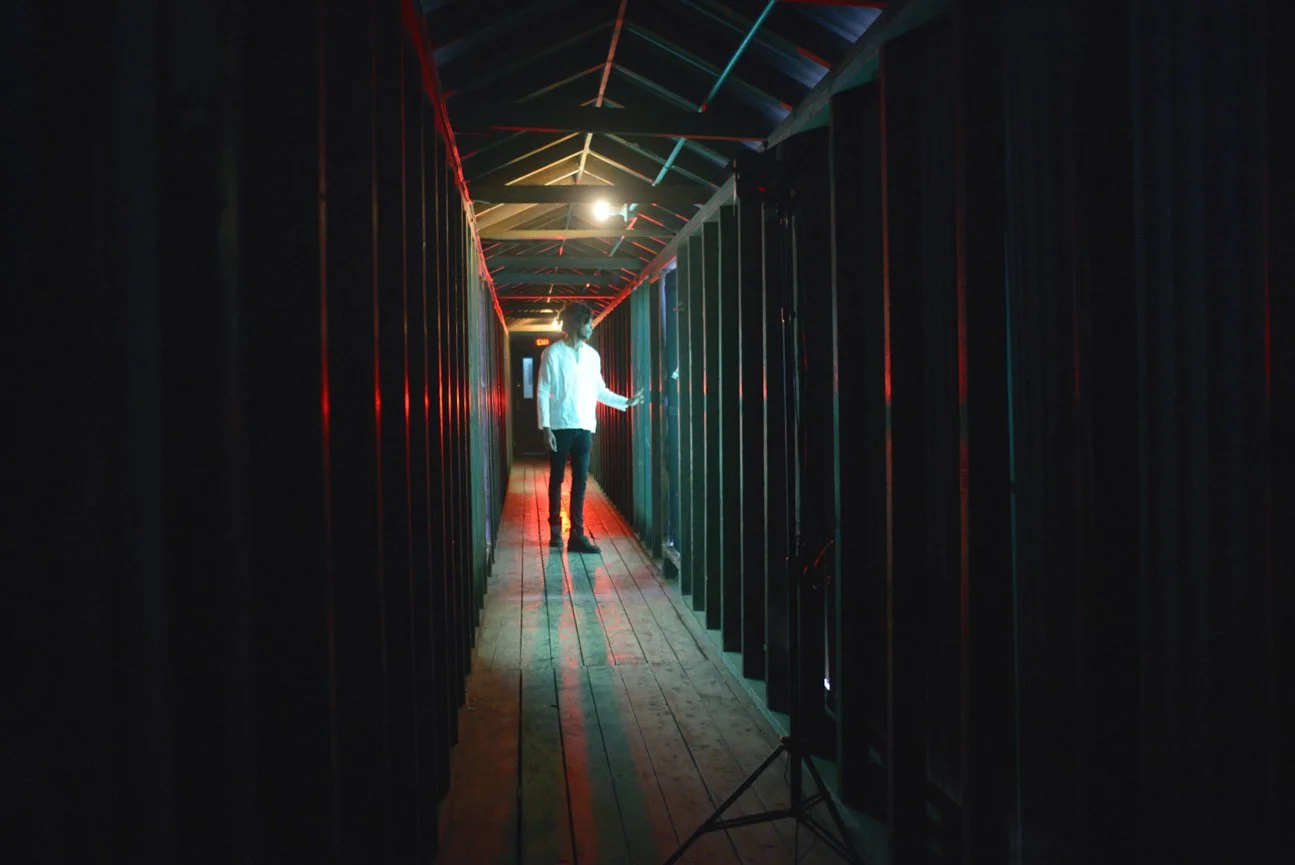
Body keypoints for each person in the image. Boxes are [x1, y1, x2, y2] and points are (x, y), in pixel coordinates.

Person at [536, 302, 645, 553]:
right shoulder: (552, 353)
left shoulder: (592, 356)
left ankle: (577, 535)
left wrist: (625, 402)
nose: (591, 328)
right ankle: (555, 530)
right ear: (574, 323)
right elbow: (542, 391)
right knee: (556, 478)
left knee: (581, 482)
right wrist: (545, 427)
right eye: (588, 323)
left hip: (585, 425)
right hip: (560, 425)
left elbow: (599, 390)